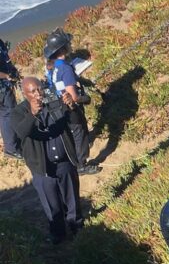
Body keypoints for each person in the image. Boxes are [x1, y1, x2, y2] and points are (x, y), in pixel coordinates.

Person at [11, 77, 83, 245]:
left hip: (65, 161)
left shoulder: (53, 100)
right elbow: (22, 132)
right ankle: (58, 235)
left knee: (72, 200)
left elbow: (74, 122)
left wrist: (72, 107)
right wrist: (33, 114)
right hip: (42, 167)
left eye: (40, 89)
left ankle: (78, 230)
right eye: (33, 91)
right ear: (24, 93)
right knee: (53, 206)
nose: (38, 93)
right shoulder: (18, 112)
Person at [43, 29, 101, 175]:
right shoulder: (66, 69)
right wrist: (86, 98)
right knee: (79, 133)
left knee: (71, 134)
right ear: (62, 49)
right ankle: (82, 165)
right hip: (70, 107)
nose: (70, 45)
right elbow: (73, 96)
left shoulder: (52, 66)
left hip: (58, 107)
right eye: (68, 44)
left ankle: (75, 161)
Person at [0, 37, 21, 159]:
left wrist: (13, 70)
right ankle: (12, 148)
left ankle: (11, 146)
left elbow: (6, 59)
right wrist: (7, 76)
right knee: (9, 114)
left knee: (5, 116)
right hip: (2, 88)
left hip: (5, 86)